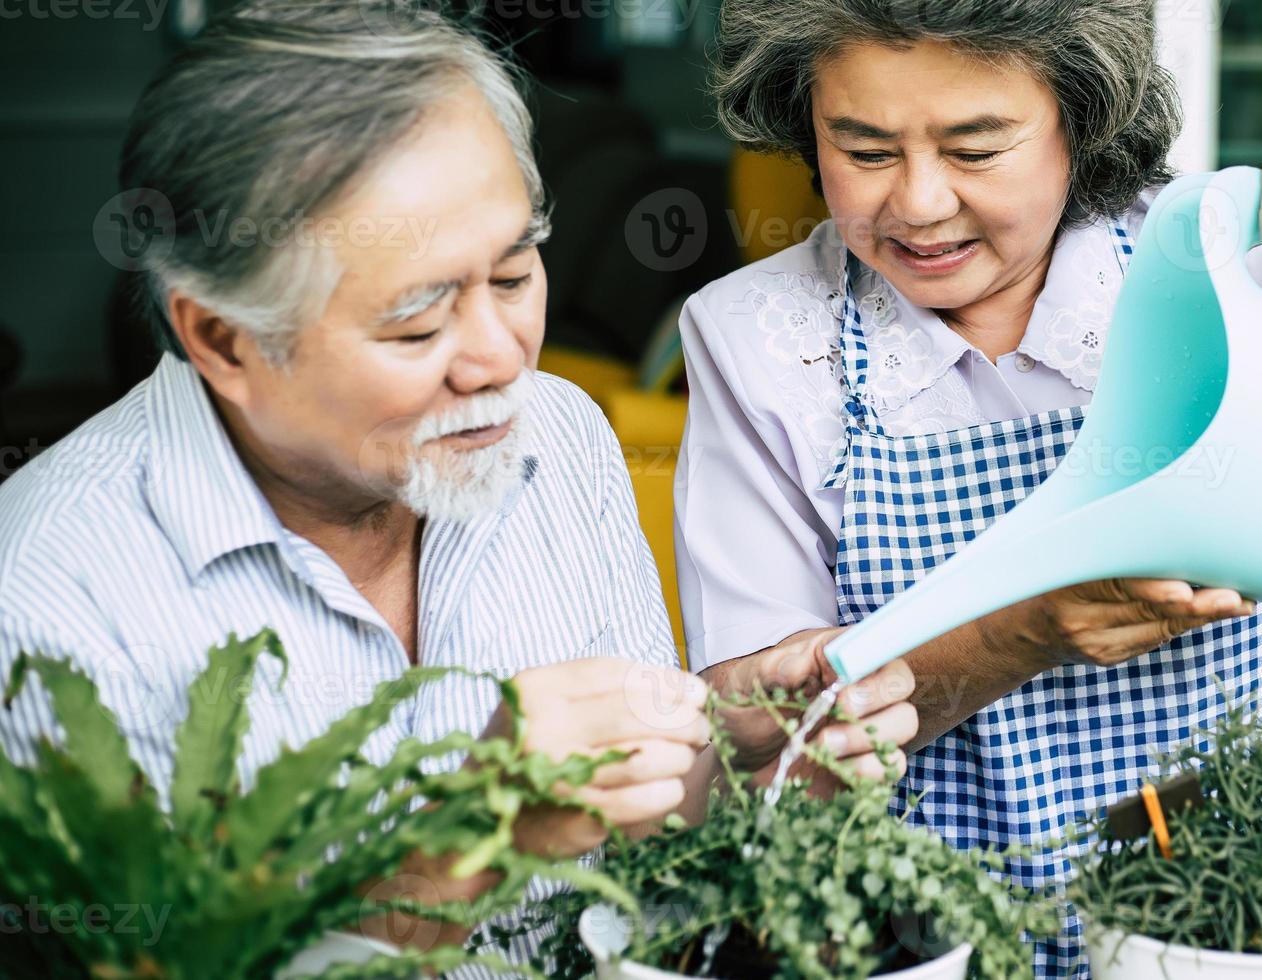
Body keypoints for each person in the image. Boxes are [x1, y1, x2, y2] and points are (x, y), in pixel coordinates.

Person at [0, 3, 916, 972]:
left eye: (515, 274)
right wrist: (467, 838)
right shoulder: (50, 600)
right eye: (415, 322)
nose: (497, 356)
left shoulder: (554, 434)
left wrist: (734, 751)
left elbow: (639, 863)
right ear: (222, 338)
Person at [674, 0, 1262, 973]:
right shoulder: (760, 340)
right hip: (932, 942)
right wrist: (1019, 630)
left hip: (1240, 926)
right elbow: (757, 746)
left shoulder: (1222, 263)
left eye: (975, 148)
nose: (919, 203)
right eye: (863, 149)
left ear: (1082, 113)